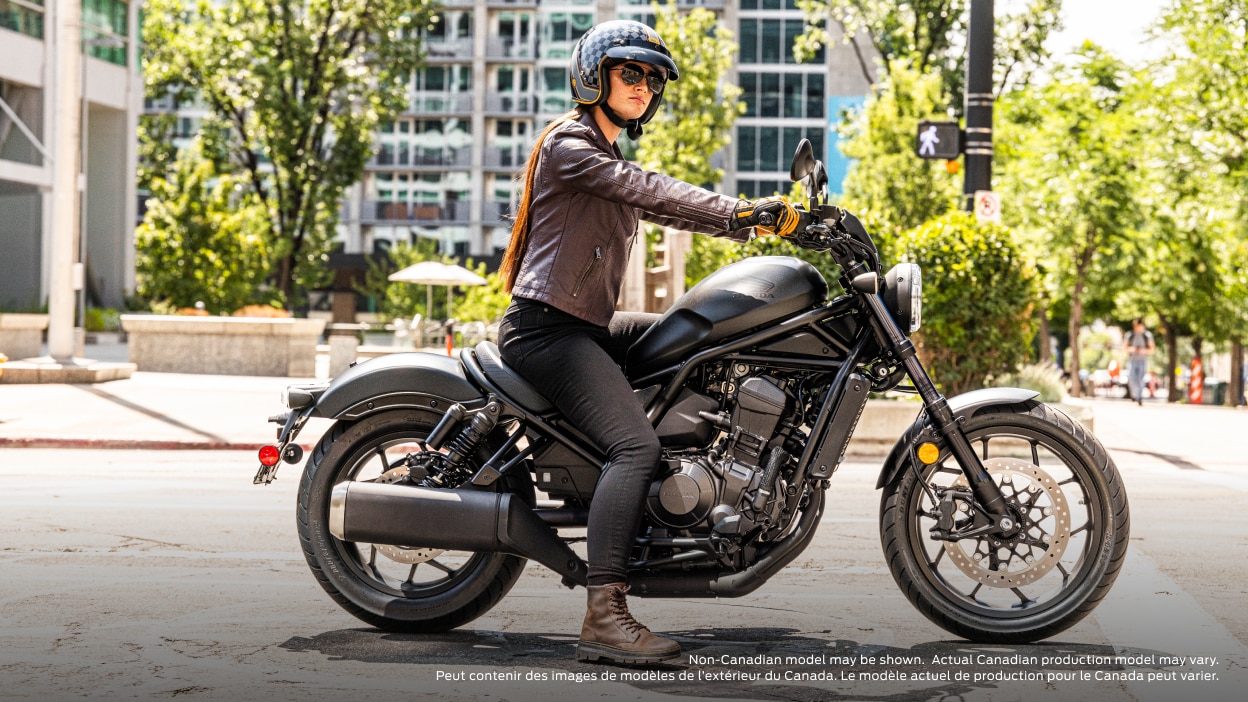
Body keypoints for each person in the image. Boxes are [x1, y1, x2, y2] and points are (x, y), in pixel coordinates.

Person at [495, 19, 802, 665]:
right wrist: (742, 210)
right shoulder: (570, 146)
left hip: (581, 324)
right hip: (546, 329)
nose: (643, 85)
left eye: (653, 78)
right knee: (632, 446)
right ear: (593, 76)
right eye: (630, 72)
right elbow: (650, 190)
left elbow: (660, 202)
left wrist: (756, 224)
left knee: (696, 351)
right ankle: (604, 615)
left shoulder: (605, 156)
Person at [1125, 318, 1155, 405]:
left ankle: (1139, 396)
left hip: (1143, 361)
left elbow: (1152, 349)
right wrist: (1132, 349)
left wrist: (1143, 350)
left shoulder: (1147, 335)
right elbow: (1125, 348)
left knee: (1141, 379)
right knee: (1132, 378)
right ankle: (1135, 394)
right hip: (1132, 361)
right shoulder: (1130, 335)